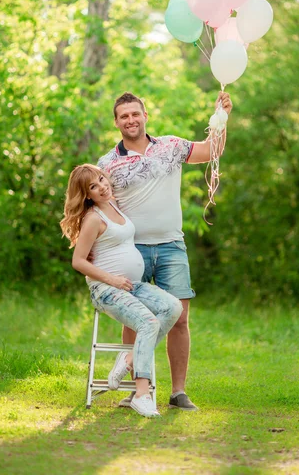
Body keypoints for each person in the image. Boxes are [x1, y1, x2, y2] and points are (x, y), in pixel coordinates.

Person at [98, 90, 233, 411]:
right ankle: (134, 390)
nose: (131, 120)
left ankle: (178, 392)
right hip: (131, 250)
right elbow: (100, 208)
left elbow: (212, 150)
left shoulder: (171, 146)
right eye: (124, 116)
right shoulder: (108, 163)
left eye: (135, 113)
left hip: (172, 246)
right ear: (116, 123)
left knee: (180, 319)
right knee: (133, 319)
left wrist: (222, 117)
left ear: (145, 116)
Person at [60, 164, 183, 418]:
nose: (102, 187)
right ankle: (141, 394)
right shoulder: (94, 218)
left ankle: (128, 360)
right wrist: (112, 280)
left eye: (102, 180)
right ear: (86, 195)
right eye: (93, 187)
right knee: (149, 322)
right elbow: (78, 261)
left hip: (130, 286)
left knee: (174, 307)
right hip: (106, 289)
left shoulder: (114, 205)